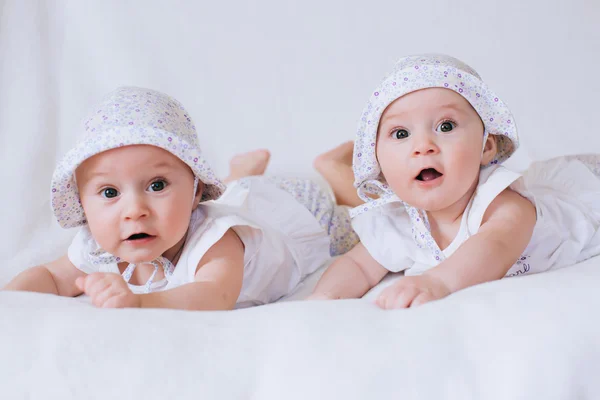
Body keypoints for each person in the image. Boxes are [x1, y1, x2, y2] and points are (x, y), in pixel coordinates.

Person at [3, 86, 358, 310]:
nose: (135, 211)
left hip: (295, 209)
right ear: (83, 204)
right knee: (238, 190)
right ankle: (240, 173)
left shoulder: (217, 241)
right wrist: (10, 301)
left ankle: (333, 170)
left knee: (355, 226)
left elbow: (214, 296)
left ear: (195, 191)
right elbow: (50, 277)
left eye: (157, 185)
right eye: (109, 192)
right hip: (238, 196)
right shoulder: (98, 245)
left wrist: (141, 303)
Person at [308, 53, 600, 309]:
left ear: (486, 147)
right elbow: (358, 265)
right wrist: (324, 297)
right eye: (400, 134)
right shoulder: (398, 220)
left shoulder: (500, 203)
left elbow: (496, 243)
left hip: (585, 190)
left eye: (445, 126)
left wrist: (438, 282)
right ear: (379, 165)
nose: (423, 145)